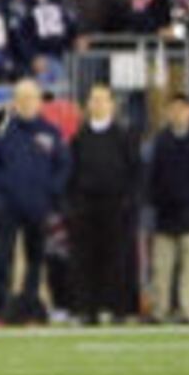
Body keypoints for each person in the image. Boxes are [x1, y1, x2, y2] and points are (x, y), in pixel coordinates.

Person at [0, 80, 66, 324]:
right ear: (14, 102)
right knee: (2, 259)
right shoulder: (2, 131)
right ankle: (0, 306)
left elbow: (63, 167)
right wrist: (4, 189)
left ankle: (30, 306)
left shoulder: (51, 132)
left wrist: (49, 192)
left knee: (36, 260)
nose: (27, 103)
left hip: (38, 207)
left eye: (31, 97)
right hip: (6, 209)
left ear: (39, 101)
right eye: (22, 98)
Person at [64, 84, 142, 324]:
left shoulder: (125, 136)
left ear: (111, 104)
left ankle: (118, 309)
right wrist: (73, 204)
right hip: (85, 209)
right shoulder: (79, 138)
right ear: (88, 105)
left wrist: (130, 202)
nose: (98, 104)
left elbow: (135, 172)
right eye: (94, 100)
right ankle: (88, 309)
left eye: (103, 100)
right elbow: (71, 174)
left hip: (117, 208)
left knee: (117, 259)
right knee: (86, 260)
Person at [143, 90, 189, 324]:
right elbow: (152, 178)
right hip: (165, 215)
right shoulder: (160, 142)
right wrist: (159, 200)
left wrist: (186, 197)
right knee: (161, 269)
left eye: (182, 109)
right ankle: (160, 310)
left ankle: (187, 310)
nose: (178, 113)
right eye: (173, 109)